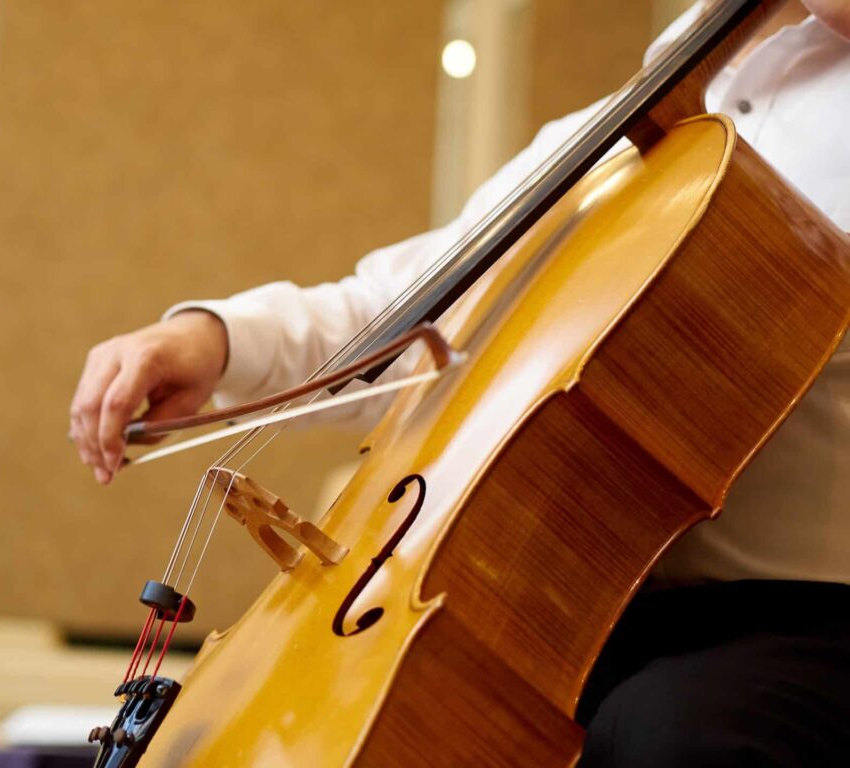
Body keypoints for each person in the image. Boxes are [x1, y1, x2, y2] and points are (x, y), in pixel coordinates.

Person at [70, 2, 850, 765]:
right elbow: (425, 313)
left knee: (669, 730)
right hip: (567, 603)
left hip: (792, 626)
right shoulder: (679, 84)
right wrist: (214, 340)